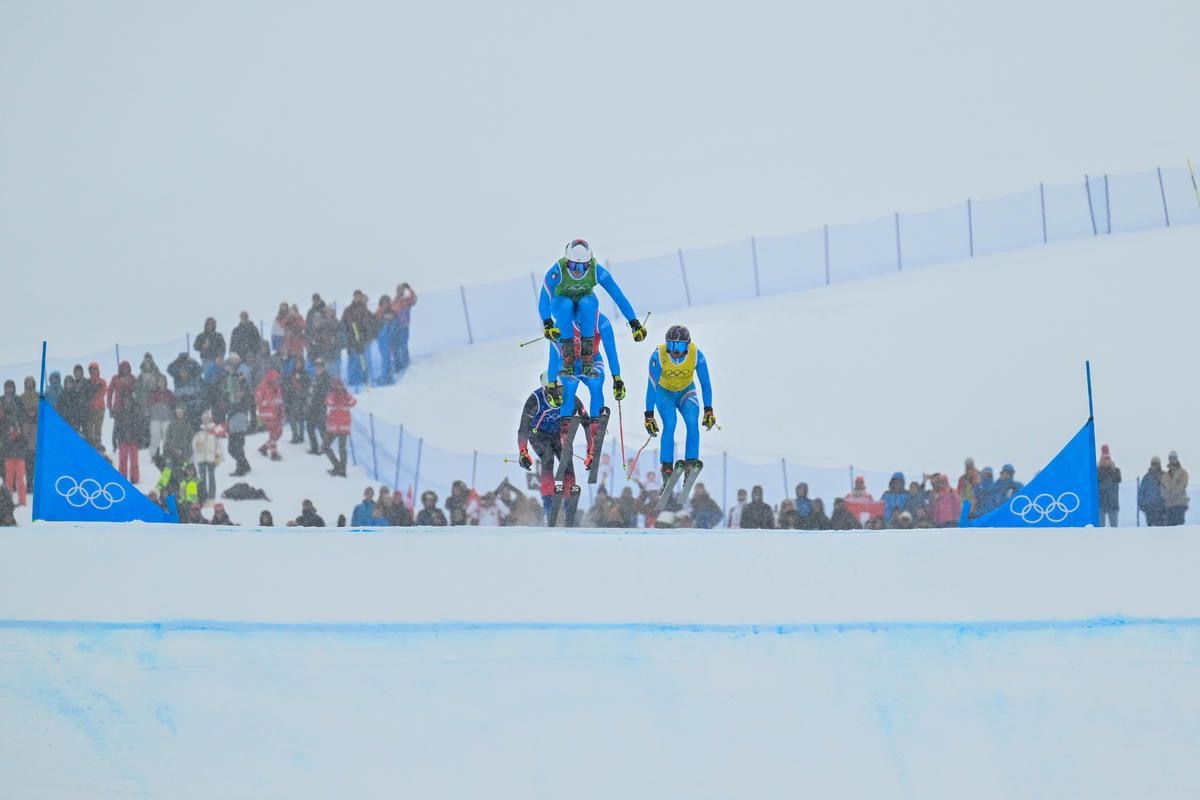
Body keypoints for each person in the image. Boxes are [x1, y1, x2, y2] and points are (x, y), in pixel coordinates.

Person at [539, 239, 646, 414]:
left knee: (589, 302)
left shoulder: (596, 270)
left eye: (583, 267)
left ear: (590, 263)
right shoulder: (557, 270)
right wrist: (547, 322)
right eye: (573, 266)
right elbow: (544, 297)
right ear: (566, 261)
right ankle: (568, 355)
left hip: (583, 310)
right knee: (565, 305)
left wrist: (634, 322)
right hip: (562, 307)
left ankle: (587, 354)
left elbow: (617, 295)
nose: (578, 271)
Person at [546, 313, 626, 467]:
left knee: (596, 384)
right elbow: (553, 356)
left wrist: (617, 378)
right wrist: (551, 384)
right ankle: (565, 434)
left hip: (593, 360)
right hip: (569, 362)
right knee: (569, 387)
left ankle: (594, 435)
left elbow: (611, 352)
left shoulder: (602, 322)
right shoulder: (562, 321)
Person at [643, 325, 716, 484]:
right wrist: (648, 415)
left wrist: (708, 410)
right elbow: (652, 386)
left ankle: (691, 462)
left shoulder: (696, 354)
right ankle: (667, 468)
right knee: (670, 423)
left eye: (680, 346)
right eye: (671, 345)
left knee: (692, 420)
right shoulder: (658, 355)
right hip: (665, 393)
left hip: (686, 391)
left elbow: (705, 384)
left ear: (688, 345)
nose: (675, 351)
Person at [516, 372, 588, 522]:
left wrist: (592, 451)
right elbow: (523, 429)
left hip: (558, 433)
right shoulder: (535, 400)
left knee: (567, 462)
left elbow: (586, 423)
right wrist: (523, 452)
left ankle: (569, 508)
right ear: (546, 390)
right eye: (557, 391)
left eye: (563, 389)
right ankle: (549, 507)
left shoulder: (571, 398)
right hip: (538, 434)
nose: (561, 394)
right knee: (548, 459)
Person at [107, 361, 141, 483]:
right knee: (123, 456)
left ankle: (134, 478)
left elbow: (138, 391)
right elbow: (110, 392)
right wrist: (110, 408)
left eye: (127, 368)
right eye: (123, 368)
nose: (125, 370)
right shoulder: (115, 378)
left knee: (133, 457)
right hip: (119, 412)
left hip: (132, 433)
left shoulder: (133, 379)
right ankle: (122, 477)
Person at [324, 376, 356, 477]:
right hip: (338, 426)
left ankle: (340, 469)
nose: (338, 387)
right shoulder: (334, 394)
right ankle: (340, 468)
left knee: (331, 447)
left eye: (339, 385)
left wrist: (343, 395)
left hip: (337, 427)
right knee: (330, 447)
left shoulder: (343, 394)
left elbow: (353, 402)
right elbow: (329, 402)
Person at [191, 410, 224, 502]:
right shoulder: (199, 431)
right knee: (202, 478)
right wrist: (197, 446)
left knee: (211, 477)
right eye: (204, 418)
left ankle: (212, 495)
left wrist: (219, 456)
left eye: (207, 418)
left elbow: (218, 444)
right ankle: (203, 495)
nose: (205, 420)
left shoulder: (214, 430)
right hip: (201, 457)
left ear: (210, 419)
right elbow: (194, 442)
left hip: (211, 457)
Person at [254, 369, 285, 461]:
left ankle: (264, 447)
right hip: (267, 413)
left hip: (276, 412)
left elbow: (279, 399)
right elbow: (259, 401)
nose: (276, 379)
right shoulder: (262, 386)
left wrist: (281, 410)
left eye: (277, 378)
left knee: (279, 432)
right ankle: (273, 453)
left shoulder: (276, 386)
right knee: (273, 433)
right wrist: (271, 402)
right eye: (275, 377)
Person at [391, 282, 418, 373]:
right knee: (395, 346)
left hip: (404, 326)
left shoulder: (406, 301)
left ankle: (406, 364)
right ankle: (398, 365)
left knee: (403, 345)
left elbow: (414, 299)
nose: (399, 291)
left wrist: (409, 288)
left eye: (401, 289)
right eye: (398, 290)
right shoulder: (394, 301)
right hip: (395, 327)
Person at [1162, 451, 1189, 526]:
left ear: (1177, 459)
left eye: (1174, 458)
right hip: (1169, 507)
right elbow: (1162, 488)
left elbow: (1182, 486)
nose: (1172, 460)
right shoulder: (1165, 475)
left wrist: (1172, 494)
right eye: (1170, 458)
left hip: (1179, 505)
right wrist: (1166, 496)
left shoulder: (1183, 473)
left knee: (1179, 529)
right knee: (1169, 529)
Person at [1097, 444, 1121, 527]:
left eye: (1107, 459)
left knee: (1114, 527)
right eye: (1104, 459)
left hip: (1112, 503)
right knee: (1100, 527)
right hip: (1101, 503)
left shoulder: (1115, 471)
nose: (1106, 461)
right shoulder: (1097, 472)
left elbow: (1118, 479)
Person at [1138, 457, 1166, 526]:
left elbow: (1169, 490)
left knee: (1162, 529)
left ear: (1159, 464)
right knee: (1151, 529)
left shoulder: (1165, 476)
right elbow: (1141, 492)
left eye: (1156, 464)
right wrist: (1142, 505)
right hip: (1149, 509)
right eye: (1153, 464)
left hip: (1161, 508)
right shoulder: (1146, 478)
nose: (1154, 465)